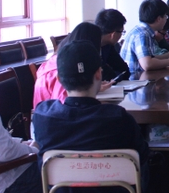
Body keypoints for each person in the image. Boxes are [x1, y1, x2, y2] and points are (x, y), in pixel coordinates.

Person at [33, 40, 150, 192]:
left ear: (60, 79)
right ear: (98, 74)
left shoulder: (42, 116)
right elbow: (142, 155)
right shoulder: (118, 118)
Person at [33, 22, 113, 109]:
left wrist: (92, 87)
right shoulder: (65, 71)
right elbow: (66, 107)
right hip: (54, 115)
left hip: (45, 113)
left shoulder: (59, 61)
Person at [120, 0, 169, 77]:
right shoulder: (142, 34)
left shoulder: (142, 30)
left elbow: (150, 58)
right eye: (165, 16)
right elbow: (147, 64)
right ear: (158, 19)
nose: (166, 20)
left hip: (141, 77)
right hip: (135, 80)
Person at [0, 97, 41, 193]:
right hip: (4, 183)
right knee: (57, 166)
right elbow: (4, 152)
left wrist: (20, 142)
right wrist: (34, 149)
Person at [95, 9, 130, 82]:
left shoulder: (107, 46)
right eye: (122, 32)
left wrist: (115, 76)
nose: (121, 35)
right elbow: (106, 75)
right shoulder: (89, 48)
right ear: (113, 35)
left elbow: (124, 70)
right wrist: (115, 76)